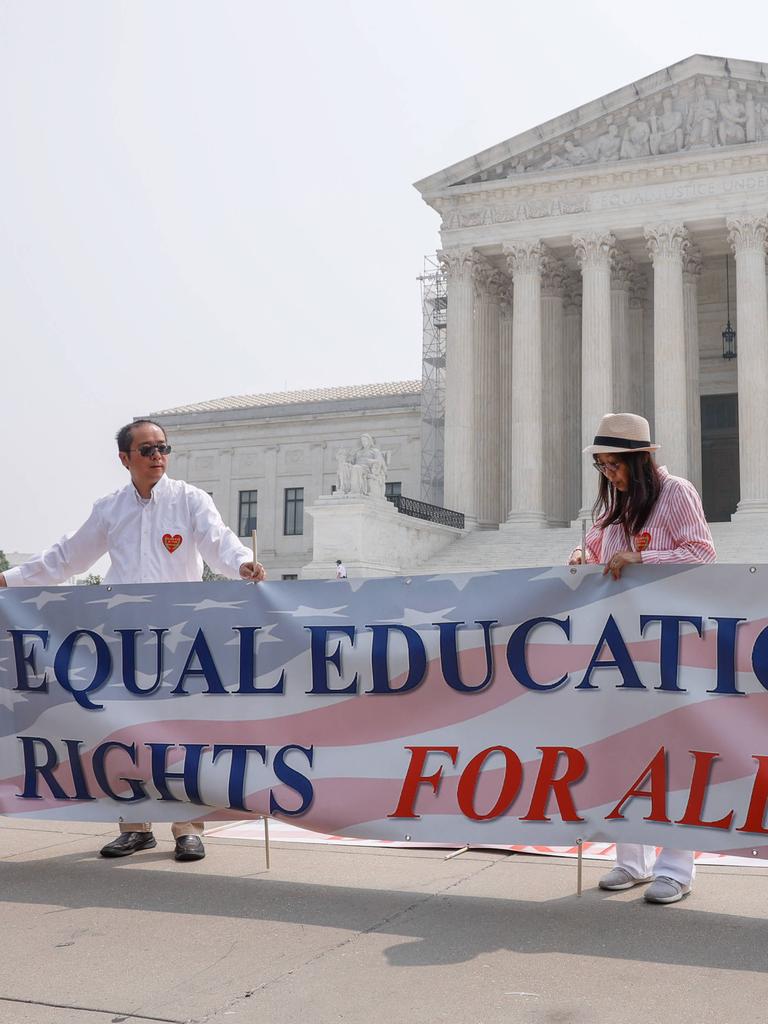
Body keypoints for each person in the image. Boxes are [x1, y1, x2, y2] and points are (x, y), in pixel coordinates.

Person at [0, 419, 266, 863]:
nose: (157, 456)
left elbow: (220, 542)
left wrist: (242, 565)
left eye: (163, 447)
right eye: (146, 449)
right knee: (124, 731)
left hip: (181, 641)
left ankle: (187, 828)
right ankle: (135, 827)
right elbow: (66, 558)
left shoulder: (190, 500)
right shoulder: (110, 508)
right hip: (122, 641)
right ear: (125, 458)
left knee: (182, 733)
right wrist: (8, 580)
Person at [568, 412, 715, 904]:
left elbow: (703, 554)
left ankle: (676, 868)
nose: (609, 475)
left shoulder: (676, 494)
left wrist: (644, 557)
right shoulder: (615, 510)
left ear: (640, 460)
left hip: (670, 647)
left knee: (672, 754)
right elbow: (598, 552)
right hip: (619, 650)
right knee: (623, 749)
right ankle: (631, 861)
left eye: (615, 465)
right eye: (603, 467)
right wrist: (580, 555)